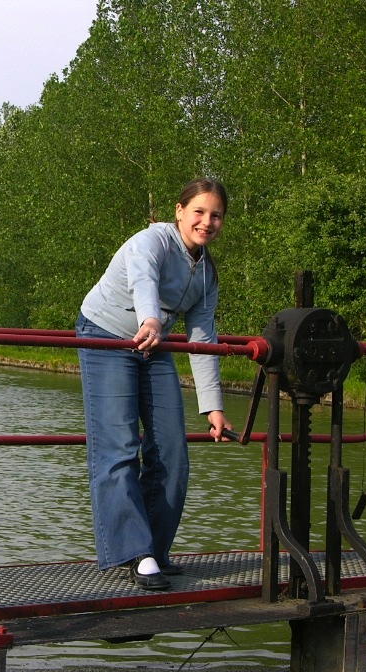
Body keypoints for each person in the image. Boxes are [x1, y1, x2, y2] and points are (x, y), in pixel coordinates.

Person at [75, 177, 233, 592]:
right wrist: (149, 318)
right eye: (198, 211)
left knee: (172, 452)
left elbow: (203, 340)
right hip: (107, 333)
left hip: (153, 343)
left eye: (215, 215)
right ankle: (135, 553)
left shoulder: (206, 274)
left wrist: (213, 407)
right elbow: (142, 278)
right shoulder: (153, 241)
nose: (206, 221)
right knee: (119, 447)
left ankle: (154, 552)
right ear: (179, 211)